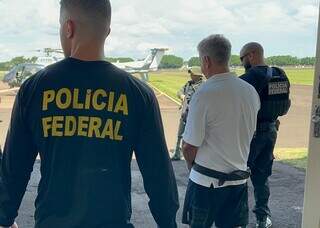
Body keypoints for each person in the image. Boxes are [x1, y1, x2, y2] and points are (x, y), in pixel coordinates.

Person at [0, 1, 179, 228]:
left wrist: (4, 217)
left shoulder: (34, 88)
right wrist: (168, 222)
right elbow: (159, 173)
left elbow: (14, 167)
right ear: (107, 31)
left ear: (68, 28)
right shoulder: (138, 93)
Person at [181, 34, 260, 228]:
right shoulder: (250, 91)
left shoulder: (204, 94)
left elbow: (188, 146)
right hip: (238, 183)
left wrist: (192, 168)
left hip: (205, 184)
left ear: (206, 61)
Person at [239, 42, 291, 228]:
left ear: (251, 55)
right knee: (261, 177)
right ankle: (262, 218)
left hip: (251, 133)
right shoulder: (279, 74)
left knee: (241, 176)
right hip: (271, 130)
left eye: (242, 58)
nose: (242, 62)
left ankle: (240, 219)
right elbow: (284, 104)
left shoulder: (247, 78)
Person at [171, 69, 204, 161]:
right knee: (180, 134)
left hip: (196, 115)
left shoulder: (203, 86)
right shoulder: (188, 84)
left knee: (195, 135)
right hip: (185, 114)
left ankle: (195, 156)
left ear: (198, 76)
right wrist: (182, 96)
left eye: (192, 74)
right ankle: (177, 154)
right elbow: (179, 92)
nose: (191, 76)